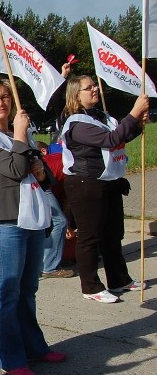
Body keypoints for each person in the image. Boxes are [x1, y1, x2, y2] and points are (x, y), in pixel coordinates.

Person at [0, 77, 66, 375]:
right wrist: (22, 137)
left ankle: (34, 347)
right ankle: (9, 357)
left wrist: (42, 168)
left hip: (33, 219)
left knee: (28, 290)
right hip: (5, 223)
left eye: (6, 97)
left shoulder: (16, 134)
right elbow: (13, 170)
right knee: (7, 292)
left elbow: (43, 176)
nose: (1, 103)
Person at [59, 75, 150, 303]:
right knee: (89, 238)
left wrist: (138, 123)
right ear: (76, 95)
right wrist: (134, 111)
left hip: (108, 182)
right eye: (88, 88)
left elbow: (122, 136)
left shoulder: (102, 116)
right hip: (85, 183)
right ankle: (90, 287)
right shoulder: (77, 122)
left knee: (112, 235)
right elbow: (110, 140)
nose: (94, 90)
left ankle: (119, 279)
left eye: (94, 86)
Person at [35, 141, 74, 279]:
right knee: (60, 222)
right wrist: (68, 225)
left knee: (47, 224)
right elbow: (68, 198)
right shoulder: (73, 165)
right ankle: (49, 267)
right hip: (40, 185)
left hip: (37, 184)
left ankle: (42, 263)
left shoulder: (63, 158)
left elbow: (64, 198)